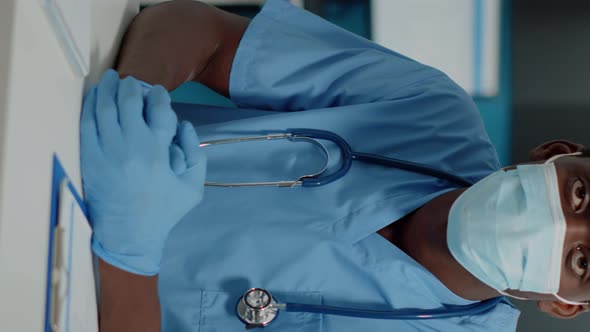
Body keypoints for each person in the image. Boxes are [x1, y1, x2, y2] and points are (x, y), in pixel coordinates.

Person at [81, 1, 590, 331]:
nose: (552, 226)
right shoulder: (432, 112)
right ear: (554, 154)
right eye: (580, 195)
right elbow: (198, 32)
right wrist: (135, 102)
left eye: (583, 260)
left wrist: (129, 256)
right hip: (47, 149)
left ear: (565, 305)